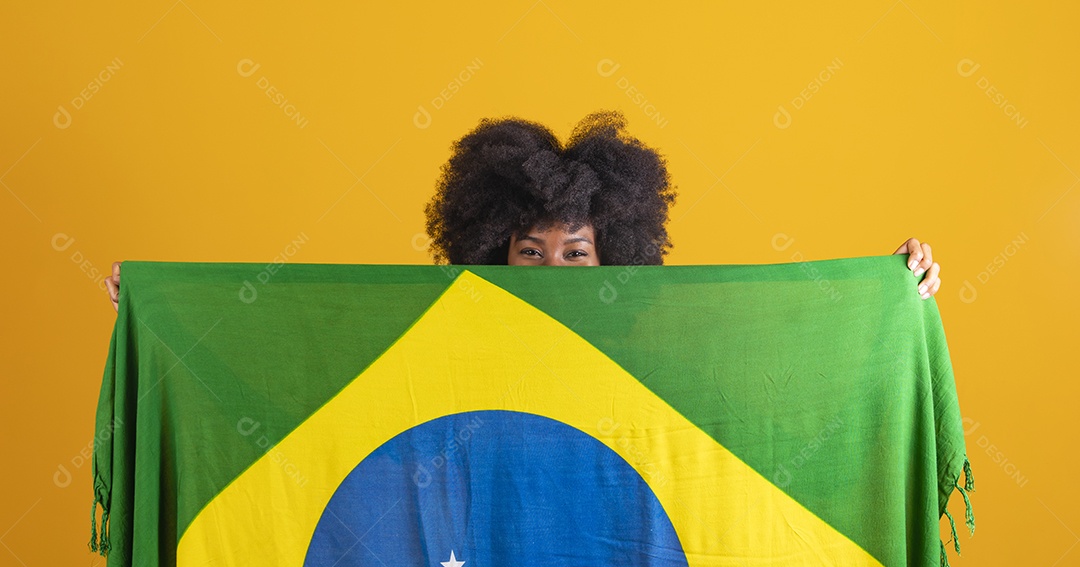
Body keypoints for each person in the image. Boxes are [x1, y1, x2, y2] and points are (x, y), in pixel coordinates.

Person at [105, 111, 941, 309]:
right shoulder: (446, 332)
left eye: (575, 252)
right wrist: (162, 310)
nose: (552, 270)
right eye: (529, 252)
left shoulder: (660, 344)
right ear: (493, 254)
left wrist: (892, 298)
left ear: (612, 256)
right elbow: (303, 346)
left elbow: (768, 368)